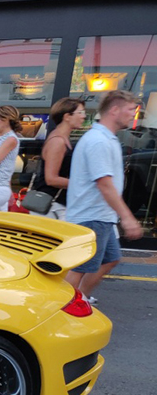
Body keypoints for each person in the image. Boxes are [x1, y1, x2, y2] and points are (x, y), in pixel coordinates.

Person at [64, 90, 143, 302]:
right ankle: (61, 307)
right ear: (114, 110)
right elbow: (104, 184)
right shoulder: (99, 141)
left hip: (100, 215)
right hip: (91, 215)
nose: (133, 115)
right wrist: (127, 217)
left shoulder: (105, 138)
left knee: (111, 259)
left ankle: (79, 298)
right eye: (130, 110)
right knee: (80, 267)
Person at [30, 97, 86, 219]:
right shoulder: (58, 141)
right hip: (51, 207)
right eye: (80, 112)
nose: (84, 116)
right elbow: (51, 179)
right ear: (67, 116)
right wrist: (84, 184)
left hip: (56, 205)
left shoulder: (60, 138)